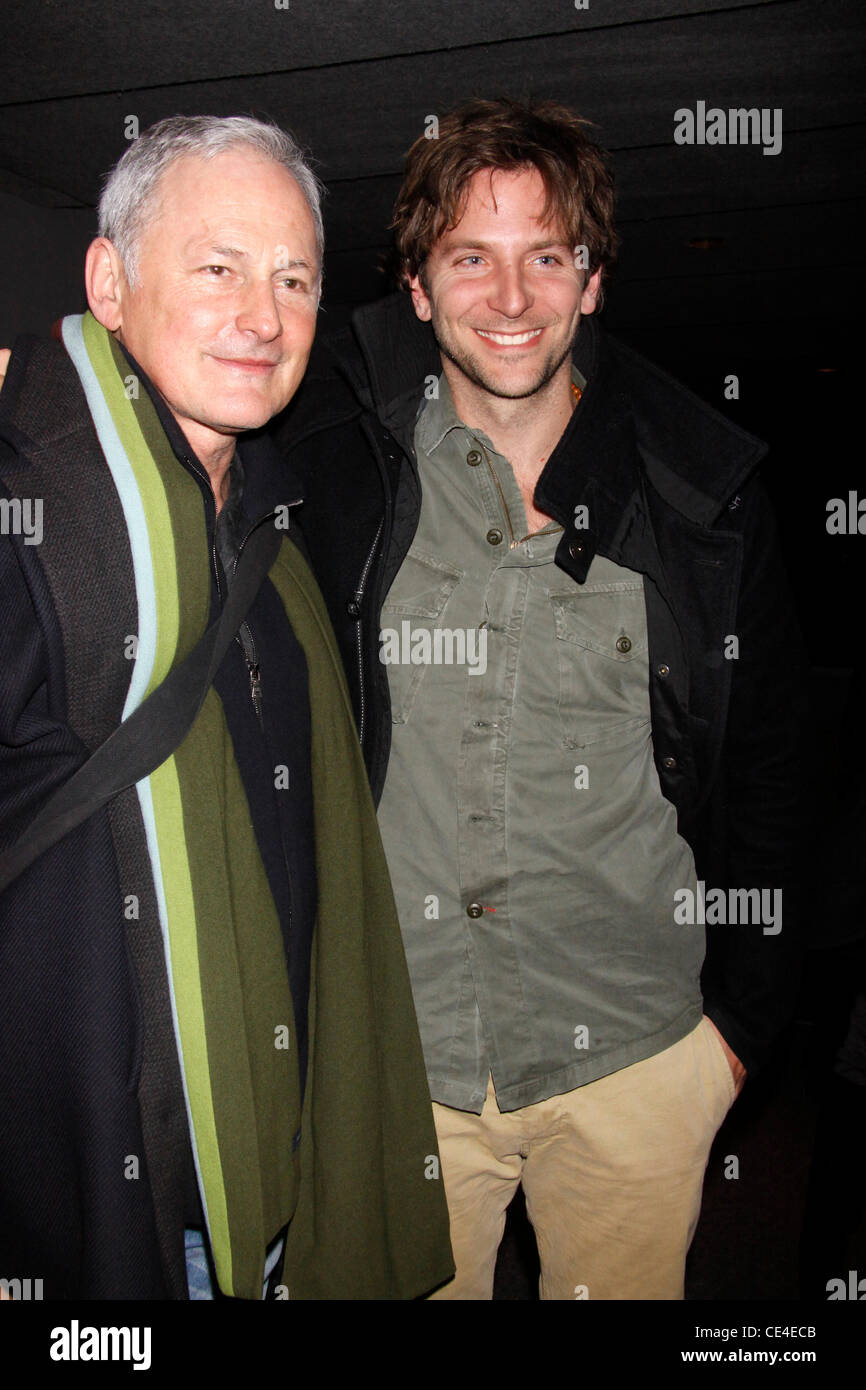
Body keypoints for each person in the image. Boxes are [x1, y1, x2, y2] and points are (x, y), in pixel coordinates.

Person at [277, 97, 808, 1299]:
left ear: (591, 280)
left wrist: (734, 1042)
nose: (509, 299)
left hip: (633, 1062)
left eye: (545, 257)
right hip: (397, 1067)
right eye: (470, 257)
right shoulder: (335, 479)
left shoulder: (699, 500)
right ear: (416, 286)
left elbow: (774, 771)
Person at [0, 115, 453, 1301]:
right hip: (102, 1188)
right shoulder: (26, 520)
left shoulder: (274, 541)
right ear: (110, 282)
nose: (264, 315)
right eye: (218, 268)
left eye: (293, 278)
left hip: (264, 1160)